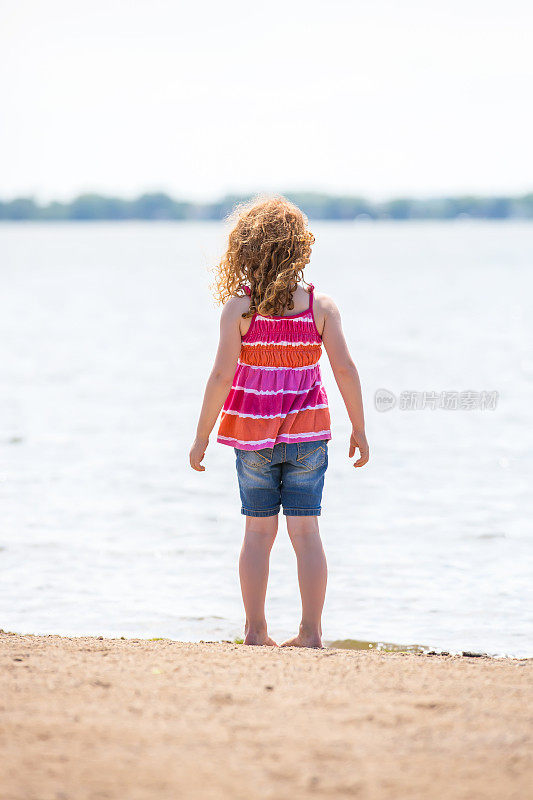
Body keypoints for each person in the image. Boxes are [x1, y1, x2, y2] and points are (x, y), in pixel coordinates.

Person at [189, 196, 369, 648]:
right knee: (306, 532)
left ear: (245, 252)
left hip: (253, 439)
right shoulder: (320, 307)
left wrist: (201, 435)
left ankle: (255, 630)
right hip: (309, 437)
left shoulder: (240, 310)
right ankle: (311, 633)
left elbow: (220, 376)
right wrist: (359, 428)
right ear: (300, 249)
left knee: (256, 533)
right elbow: (345, 369)